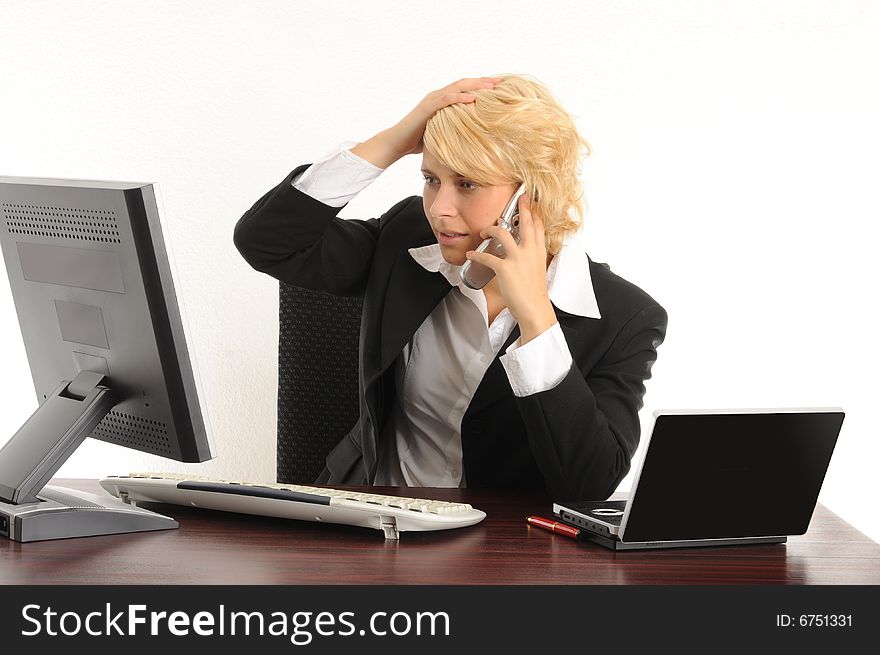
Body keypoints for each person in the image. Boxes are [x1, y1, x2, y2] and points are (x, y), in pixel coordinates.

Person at [234, 75, 667, 500]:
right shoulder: (407, 236)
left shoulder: (624, 317)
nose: (439, 209)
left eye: (467, 184)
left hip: (499, 556)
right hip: (368, 523)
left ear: (533, 194)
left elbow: (588, 484)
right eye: (431, 179)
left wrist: (537, 320)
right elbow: (268, 243)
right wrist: (396, 140)